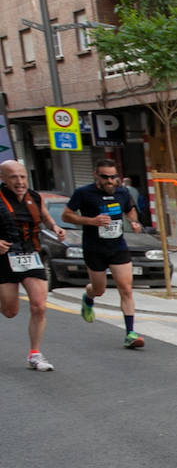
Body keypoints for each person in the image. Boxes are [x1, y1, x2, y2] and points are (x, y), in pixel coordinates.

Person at [63, 159, 146, 349]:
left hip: (118, 247)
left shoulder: (122, 192)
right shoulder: (83, 193)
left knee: (126, 288)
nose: (109, 181)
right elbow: (66, 215)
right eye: (105, 177)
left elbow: (130, 210)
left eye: (113, 177)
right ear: (96, 175)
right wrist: (91, 221)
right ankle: (89, 296)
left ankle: (130, 334)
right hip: (94, 248)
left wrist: (134, 222)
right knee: (99, 289)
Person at [0, 160, 65, 371]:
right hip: (5, 256)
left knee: (39, 306)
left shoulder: (35, 197)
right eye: (13, 177)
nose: (19, 181)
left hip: (31, 254)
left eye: (22, 176)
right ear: (3, 179)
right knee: (10, 312)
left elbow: (45, 218)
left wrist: (55, 227)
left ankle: (35, 354)